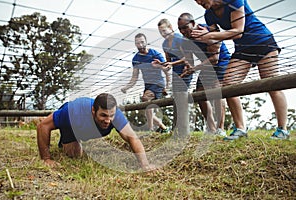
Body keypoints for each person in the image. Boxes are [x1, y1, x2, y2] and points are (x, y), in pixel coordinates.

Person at [192, 0, 289, 140]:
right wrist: (205, 36)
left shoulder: (234, 1)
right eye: (196, 0)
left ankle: (282, 130)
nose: (199, 2)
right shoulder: (209, 15)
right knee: (229, 85)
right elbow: (215, 42)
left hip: (263, 41)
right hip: (243, 49)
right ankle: (240, 129)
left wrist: (210, 35)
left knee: (272, 84)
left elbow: (238, 31)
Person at [37, 93, 154, 171]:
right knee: (74, 155)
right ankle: (64, 142)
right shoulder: (73, 112)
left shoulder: (117, 116)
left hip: (84, 127)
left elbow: (132, 137)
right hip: (73, 126)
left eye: (111, 116)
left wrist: (145, 165)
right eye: (103, 115)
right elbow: (43, 126)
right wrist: (46, 159)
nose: (108, 121)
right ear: (93, 111)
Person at [178, 13, 230, 136]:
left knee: (217, 91)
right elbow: (189, 61)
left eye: (185, 27)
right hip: (206, 66)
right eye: (180, 29)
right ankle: (211, 128)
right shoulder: (185, 41)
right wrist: (187, 68)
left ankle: (220, 128)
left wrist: (194, 68)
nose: (183, 31)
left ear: (193, 23)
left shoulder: (207, 31)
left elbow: (214, 59)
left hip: (221, 62)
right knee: (199, 94)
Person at [121, 33, 170, 133]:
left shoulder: (155, 54)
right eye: (137, 43)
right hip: (148, 85)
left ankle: (151, 130)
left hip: (158, 84)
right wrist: (126, 87)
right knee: (146, 109)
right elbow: (134, 77)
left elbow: (166, 70)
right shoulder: (136, 59)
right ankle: (164, 128)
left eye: (142, 42)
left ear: (146, 42)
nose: (140, 45)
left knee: (146, 100)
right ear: (135, 44)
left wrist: (167, 87)